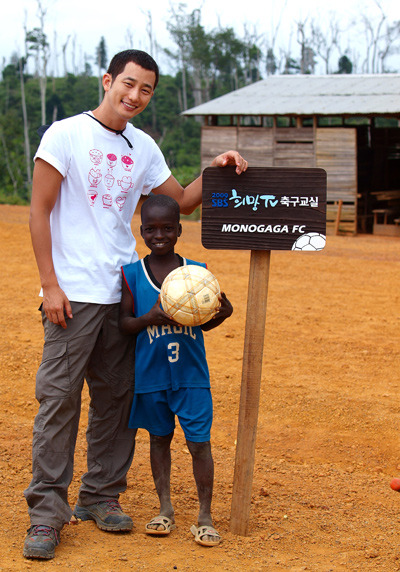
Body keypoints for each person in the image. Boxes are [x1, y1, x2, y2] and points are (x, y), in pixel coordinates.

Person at [23, 48, 248, 560]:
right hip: (73, 294)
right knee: (59, 400)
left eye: (146, 89)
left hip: (127, 290)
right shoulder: (65, 135)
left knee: (117, 400)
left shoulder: (142, 147)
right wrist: (50, 285)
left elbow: (182, 201)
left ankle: (101, 496)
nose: (135, 96)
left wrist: (213, 168)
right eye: (128, 84)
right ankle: (45, 514)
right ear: (107, 80)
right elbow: (38, 212)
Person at [119, 194, 232, 547]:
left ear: (179, 230)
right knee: (158, 440)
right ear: (141, 231)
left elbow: (201, 324)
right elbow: (124, 324)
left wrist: (222, 314)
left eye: (167, 228)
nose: (159, 235)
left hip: (191, 377)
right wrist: (148, 318)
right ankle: (164, 508)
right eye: (151, 229)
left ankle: (205, 516)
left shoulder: (197, 274)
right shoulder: (132, 274)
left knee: (200, 445)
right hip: (151, 377)